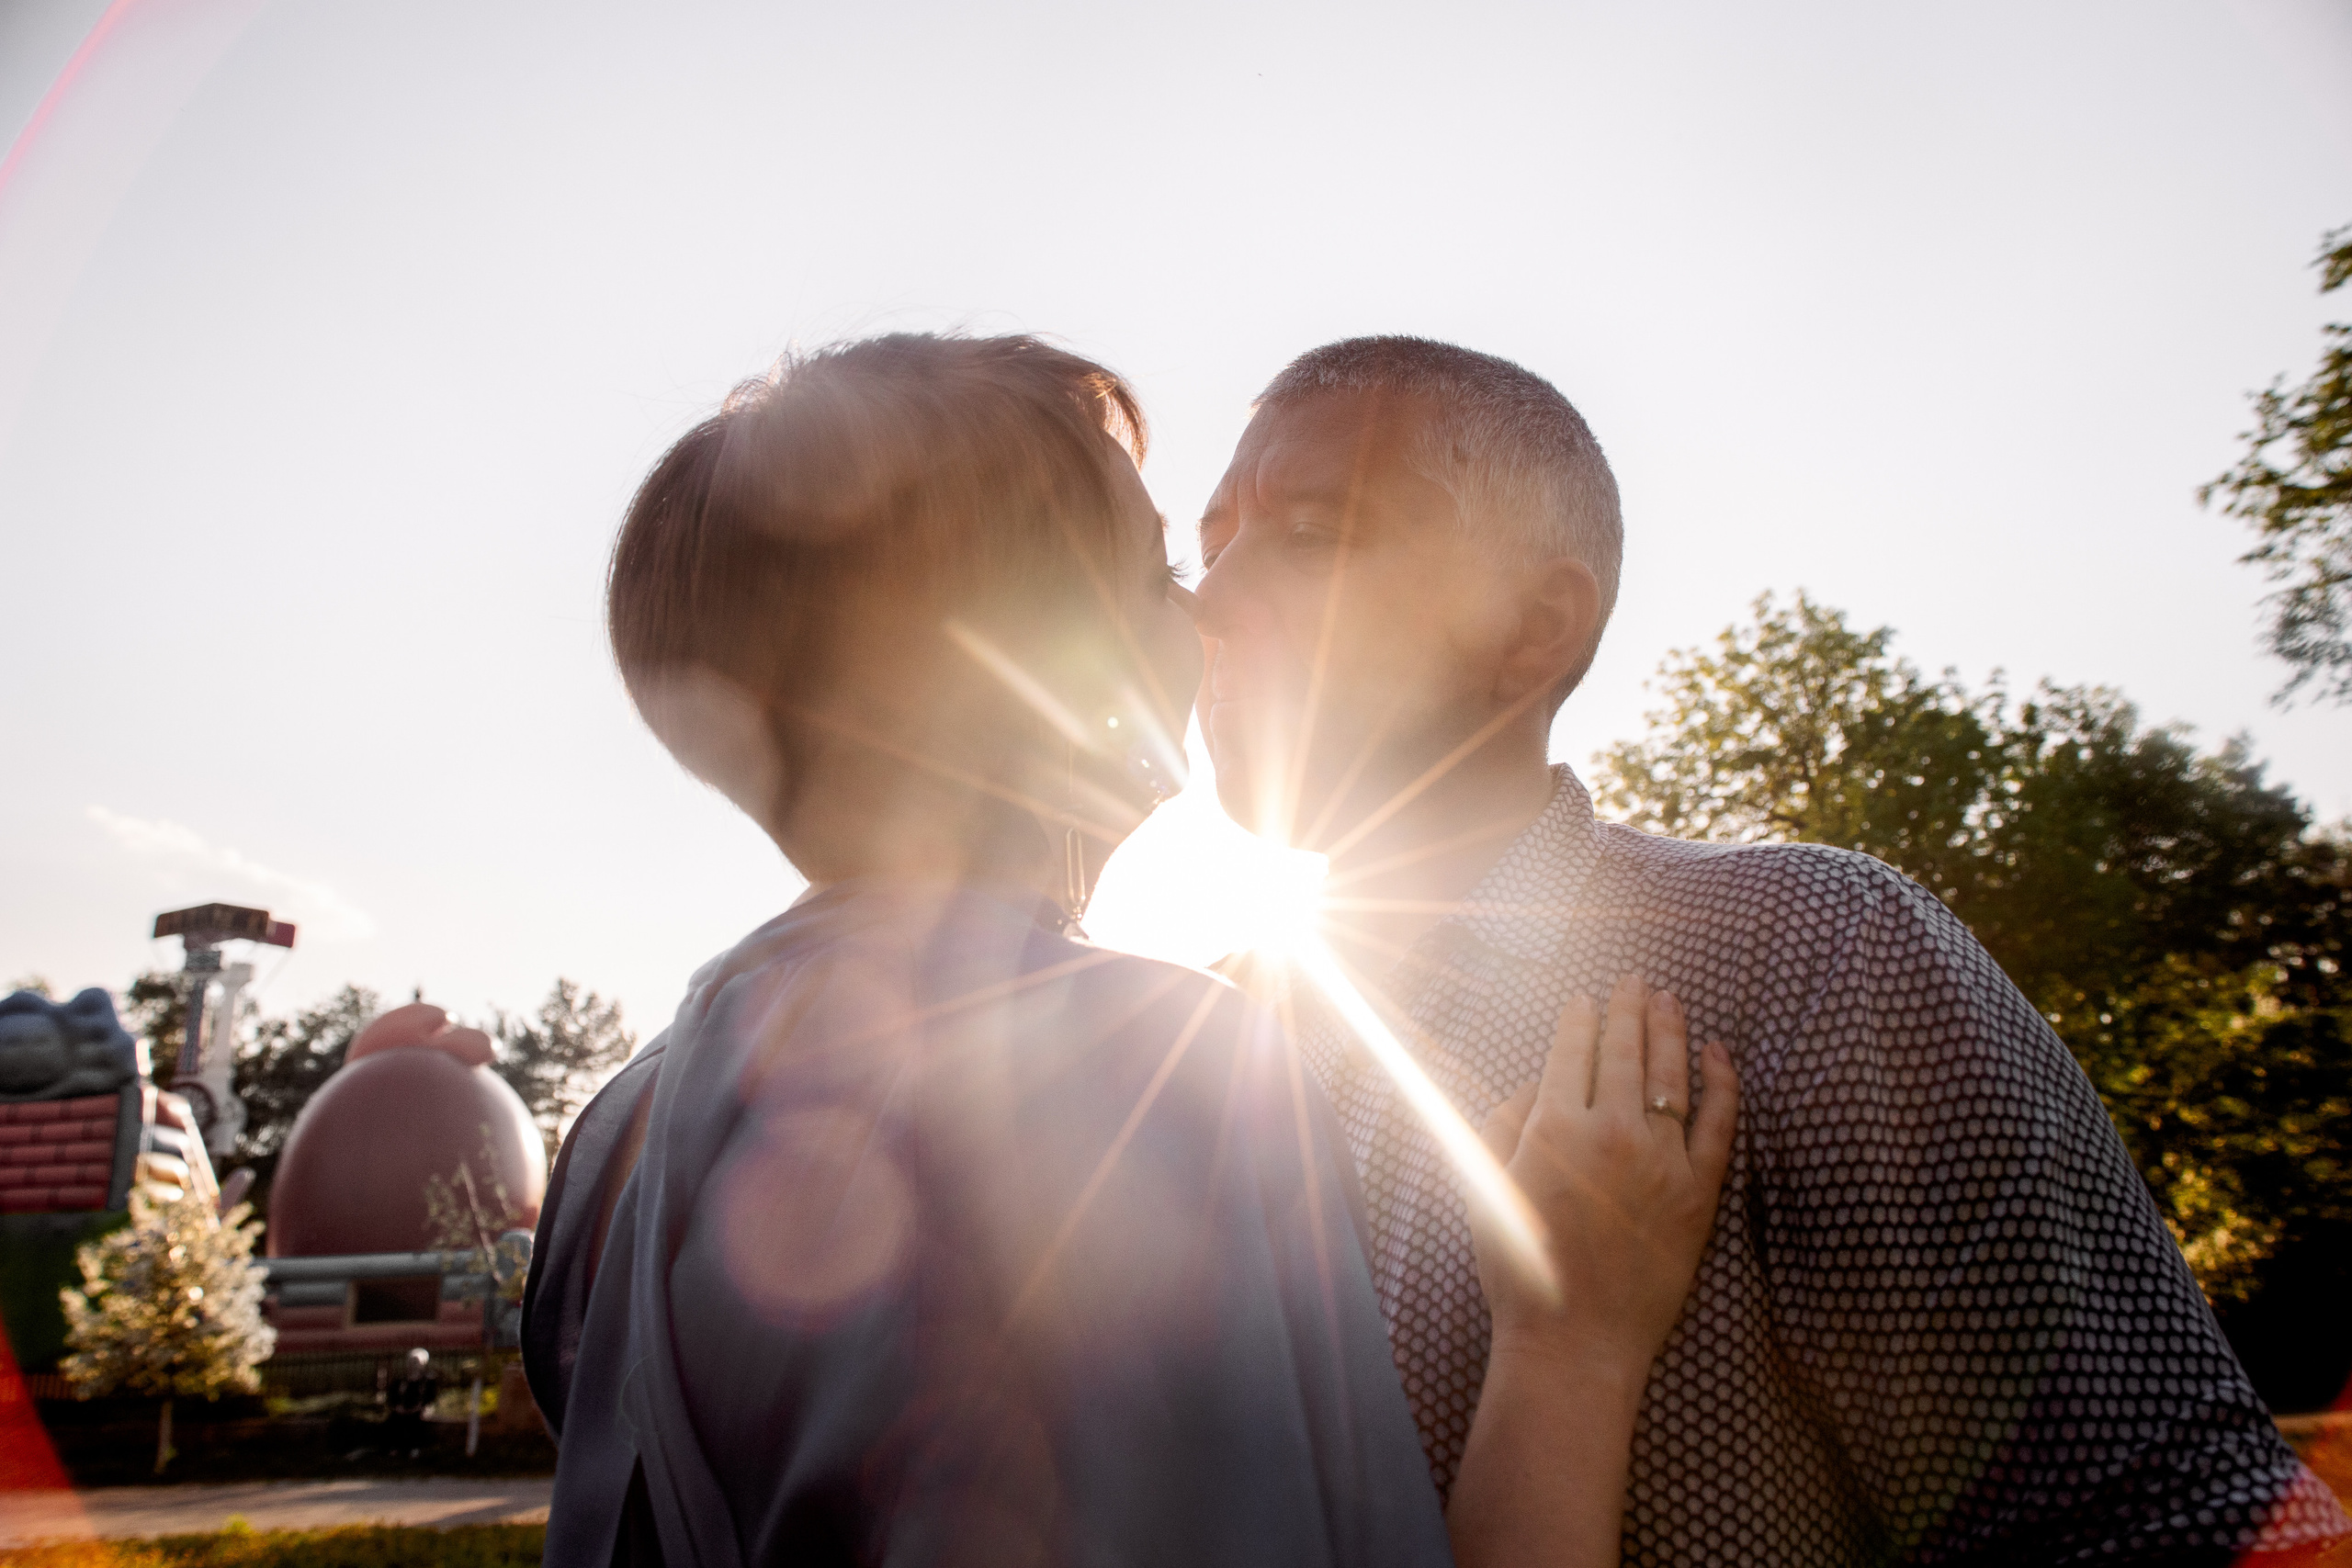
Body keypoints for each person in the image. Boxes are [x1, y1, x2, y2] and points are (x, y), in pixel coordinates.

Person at [522, 333, 1737, 1567]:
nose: (1208, 605)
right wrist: (1568, 1345)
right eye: (1158, 571)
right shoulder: (1160, 1060)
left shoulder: (621, 1128)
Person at [1191, 334, 2352, 1565]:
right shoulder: (1186, 1051)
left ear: (1532, 630)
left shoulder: (1818, 957)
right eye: (1206, 547)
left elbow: (2176, 1529)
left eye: (1312, 532)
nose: (1208, 600)